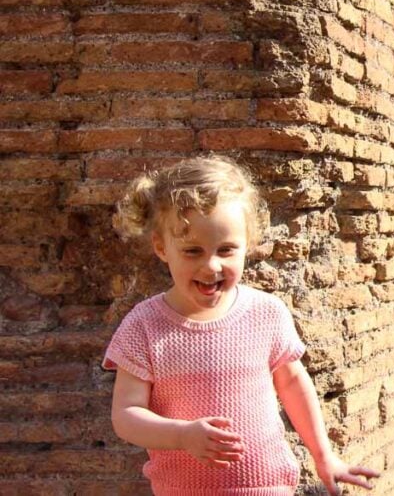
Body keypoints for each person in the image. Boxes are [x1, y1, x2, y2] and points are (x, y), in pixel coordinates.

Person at [103, 156, 379, 496]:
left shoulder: (266, 313)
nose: (211, 266)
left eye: (227, 250)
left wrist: (324, 456)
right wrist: (182, 435)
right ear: (162, 248)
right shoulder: (144, 327)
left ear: (247, 244)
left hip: (270, 488)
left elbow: (293, 384)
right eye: (192, 251)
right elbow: (126, 416)